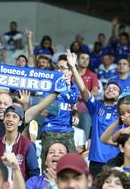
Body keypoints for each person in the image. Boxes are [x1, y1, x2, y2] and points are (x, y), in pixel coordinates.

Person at [67, 49, 121, 177]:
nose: (110, 90)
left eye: (115, 89)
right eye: (108, 88)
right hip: (96, 161)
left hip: (116, 161)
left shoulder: (122, 109)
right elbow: (83, 89)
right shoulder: (96, 107)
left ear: (120, 94)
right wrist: (73, 68)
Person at [25, 54, 79, 168]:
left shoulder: (74, 88)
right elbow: (43, 107)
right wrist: (42, 108)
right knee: (47, 165)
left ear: (71, 71)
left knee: (72, 165)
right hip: (49, 130)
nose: (59, 70)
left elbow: (73, 103)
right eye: (57, 68)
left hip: (67, 131)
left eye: (62, 68)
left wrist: (76, 115)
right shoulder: (50, 87)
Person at [0, 105, 39, 181]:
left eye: (14, 116)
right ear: (3, 120)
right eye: (7, 116)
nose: (10, 119)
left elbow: (34, 173)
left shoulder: (27, 145)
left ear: (20, 122)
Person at [76, 52, 99, 139]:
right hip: (70, 108)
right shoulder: (72, 74)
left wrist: (83, 94)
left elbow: (95, 92)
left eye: (87, 59)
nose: (85, 61)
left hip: (86, 109)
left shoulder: (93, 75)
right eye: (82, 58)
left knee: (84, 135)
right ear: (77, 60)